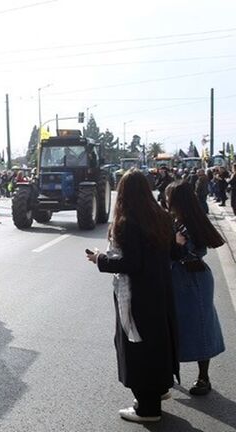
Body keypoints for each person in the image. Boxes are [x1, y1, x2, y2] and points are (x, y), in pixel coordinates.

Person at [86, 169, 178, 423]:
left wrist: (99, 259)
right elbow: (168, 253)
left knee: (136, 347)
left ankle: (148, 409)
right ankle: (157, 391)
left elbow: (130, 264)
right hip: (159, 291)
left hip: (136, 297)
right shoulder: (161, 216)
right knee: (156, 342)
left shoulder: (128, 222)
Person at [165, 180, 225, 396]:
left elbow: (190, 252)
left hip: (192, 277)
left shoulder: (187, 223)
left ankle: (203, 378)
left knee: (199, 324)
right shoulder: (177, 220)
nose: (166, 200)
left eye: (168, 196)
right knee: (175, 326)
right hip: (182, 276)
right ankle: (172, 373)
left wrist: (176, 246)